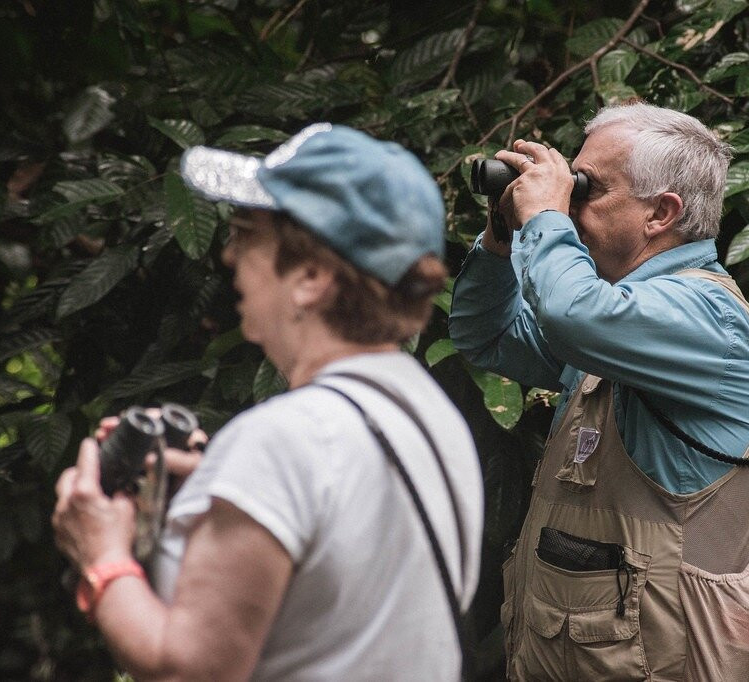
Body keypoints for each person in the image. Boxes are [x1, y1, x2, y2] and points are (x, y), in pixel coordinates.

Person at [52, 123, 484, 681]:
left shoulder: (284, 440)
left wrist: (101, 555)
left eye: (246, 233)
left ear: (311, 276)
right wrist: (222, 488)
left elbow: (189, 671)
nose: (229, 254)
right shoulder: (434, 417)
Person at [449, 102, 749, 681]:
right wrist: (503, 235)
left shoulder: (706, 318)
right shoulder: (615, 321)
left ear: (661, 213)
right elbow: (487, 334)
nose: (569, 203)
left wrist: (545, 216)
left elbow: (571, 314)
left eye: (587, 188)